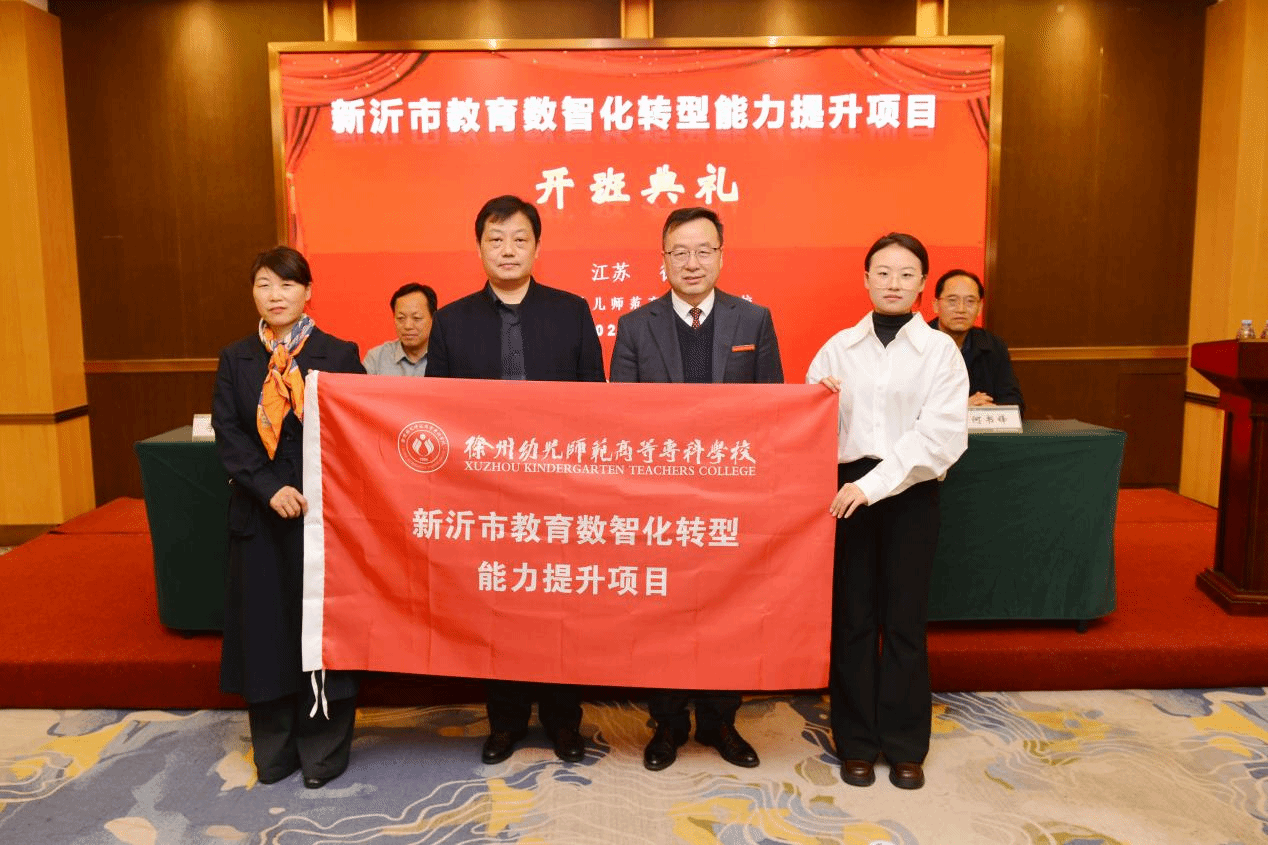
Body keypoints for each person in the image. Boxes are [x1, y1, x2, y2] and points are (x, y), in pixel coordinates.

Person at [427, 194, 605, 764]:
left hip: (557, 491)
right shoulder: (452, 320)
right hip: (485, 493)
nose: (508, 250)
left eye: (519, 239)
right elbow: (436, 411)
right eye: (496, 239)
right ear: (479, 247)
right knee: (495, 607)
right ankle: (504, 722)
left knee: (558, 609)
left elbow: (596, 402)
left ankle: (563, 722)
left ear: (537, 246)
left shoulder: (571, 311)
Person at [610, 207, 782, 771]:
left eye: (703, 250)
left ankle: (720, 720)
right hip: (660, 502)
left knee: (728, 611)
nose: (691, 262)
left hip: (732, 500)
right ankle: (667, 723)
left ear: (721, 256)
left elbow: (773, 412)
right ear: (662, 258)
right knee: (663, 612)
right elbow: (622, 421)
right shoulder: (636, 326)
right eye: (679, 251)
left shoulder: (753, 320)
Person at [807, 233, 968, 791]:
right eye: (882, 272)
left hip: (910, 494)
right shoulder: (838, 348)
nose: (893, 283)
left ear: (923, 284)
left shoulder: (941, 352)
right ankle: (855, 741)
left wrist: (872, 485)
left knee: (904, 622)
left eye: (905, 274)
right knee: (852, 620)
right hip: (845, 495)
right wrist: (819, 398)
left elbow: (940, 437)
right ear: (866, 279)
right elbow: (808, 428)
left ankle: (903, 746)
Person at [211, 246, 364, 789]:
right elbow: (229, 433)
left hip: (324, 520)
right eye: (264, 285)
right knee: (266, 635)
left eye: (287, 285)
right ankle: (274, 753)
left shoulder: (338, 353)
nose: (275, 295)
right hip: (258, 517)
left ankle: (322, 752)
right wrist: (269, 487)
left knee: (322, 633)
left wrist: (312, 489)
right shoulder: (235, 358)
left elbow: (357, 433)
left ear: (307, 291)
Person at [929, 269, 1024, 414]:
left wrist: (991, 410)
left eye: (970, 301)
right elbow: (906, 410)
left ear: (979, 308)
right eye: (952, 301)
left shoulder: (992, 345)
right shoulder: (916, 344)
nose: (961, 309)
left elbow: (1014, 401)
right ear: (936, 305)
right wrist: (961, 408)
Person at [362, 283, 438, 376]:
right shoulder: (376, 358)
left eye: (416, 318)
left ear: (433, 318)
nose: (408, 326)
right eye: (401, 318)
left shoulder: (447, 357)